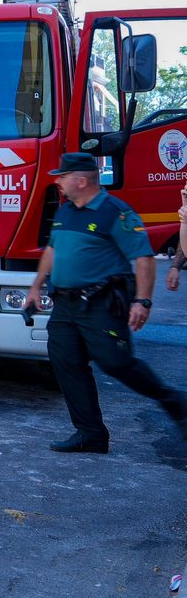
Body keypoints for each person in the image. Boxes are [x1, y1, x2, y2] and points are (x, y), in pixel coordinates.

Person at [24, 152, 187, 453]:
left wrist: (143, 301)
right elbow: (52, 250)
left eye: (63, 176)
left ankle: (175, 401)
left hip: (101, 303)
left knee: (116, 363)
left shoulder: (116, 212)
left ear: (81, 179)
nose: (58, 182)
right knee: (66, 363)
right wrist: (35, 287)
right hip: (65, 304)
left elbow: (143, 258)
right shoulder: (66, 211)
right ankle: (91, 433)